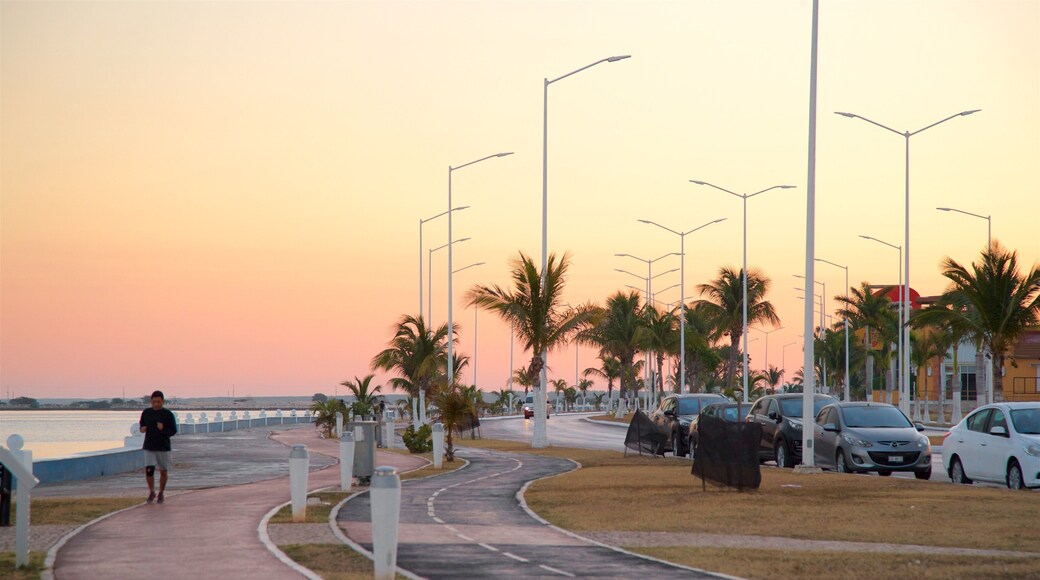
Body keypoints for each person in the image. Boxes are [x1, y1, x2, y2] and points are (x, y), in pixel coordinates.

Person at [139, 390, 177, 504]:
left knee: (163, 471)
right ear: (151, 401)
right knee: (149, 470)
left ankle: (161, 492)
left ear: (163, 401)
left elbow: (173, 430)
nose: (156, 404)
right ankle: (151, 491)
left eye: (158, 402)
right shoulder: (146, 412)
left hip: (163, 446)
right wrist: (142, 429)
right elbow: (142, 425)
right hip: (149, 446)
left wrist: (163, 430)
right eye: (154, 401)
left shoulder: (168, 414)